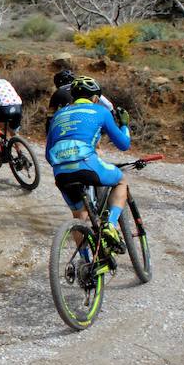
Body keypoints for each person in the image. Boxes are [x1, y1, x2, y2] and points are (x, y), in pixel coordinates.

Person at [46, 76, 131, 252]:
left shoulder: (58, 116)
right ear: (94, 98)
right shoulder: (100, 111)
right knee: (121, 180)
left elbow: (48, 154)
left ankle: (86, 265)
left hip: (60, 172)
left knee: (80, 217)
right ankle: (110, 225)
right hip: (87, 164)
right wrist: (124, 125)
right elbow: (124, 144)